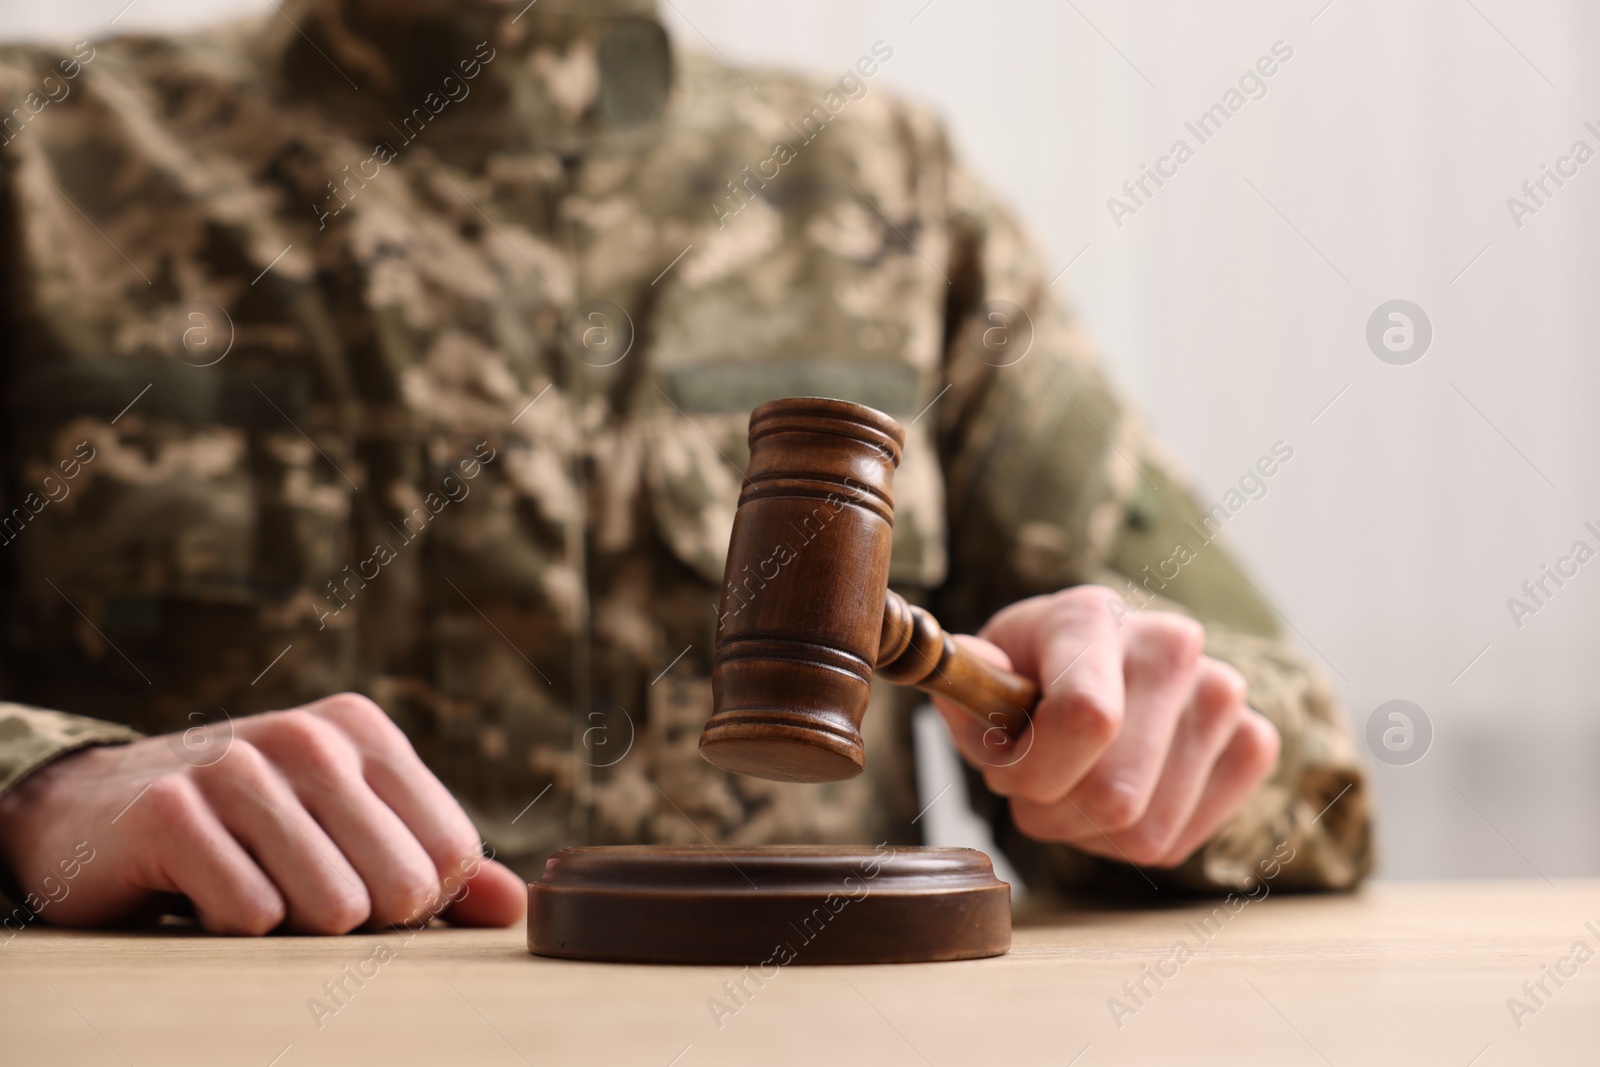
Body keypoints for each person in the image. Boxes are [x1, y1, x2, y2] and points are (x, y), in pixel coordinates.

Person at [0, 0, 1370, 937]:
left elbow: (1304, 770)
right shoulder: (38, 155)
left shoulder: (881, 187)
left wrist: (1149, 748)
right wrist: (42, 788)